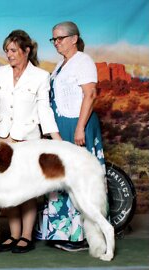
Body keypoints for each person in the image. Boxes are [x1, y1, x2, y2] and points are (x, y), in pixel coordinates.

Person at [0, 29, 62, 254]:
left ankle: (27, 237)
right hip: (1, 139)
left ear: (26, 51)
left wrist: (55, 138)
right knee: (6, 189)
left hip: (28, 141)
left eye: (12, 50)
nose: (8, 55)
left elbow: (44, 109)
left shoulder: (40, 76)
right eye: (6, 51)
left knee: (27, 189)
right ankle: (14, 235)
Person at [34, 21, 107, 252]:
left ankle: (82, 236)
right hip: (61, 128)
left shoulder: (83, 61)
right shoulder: (60, 64)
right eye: (53, 39)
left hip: (77, 125)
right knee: (60, 178)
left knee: (81, 180)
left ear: (74, 38)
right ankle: (61, 231)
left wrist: (79, 128)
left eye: (60, 38)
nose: (56, 43)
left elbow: (90, 94)